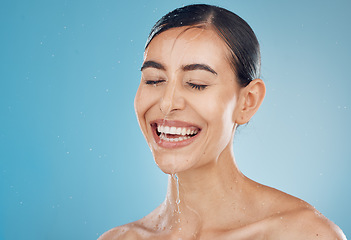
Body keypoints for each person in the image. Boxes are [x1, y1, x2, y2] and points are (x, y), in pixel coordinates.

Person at [99, 4, 346, 240]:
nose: (167, 103)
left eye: (197, 83)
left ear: (247, 101)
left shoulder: (302, 233)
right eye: (153, 80)